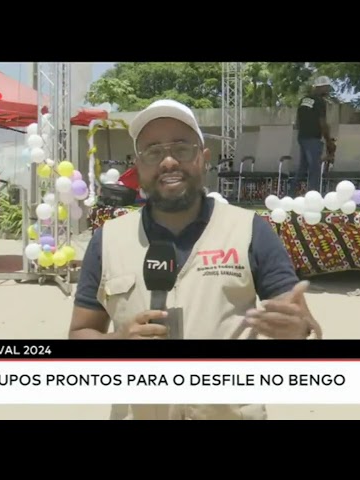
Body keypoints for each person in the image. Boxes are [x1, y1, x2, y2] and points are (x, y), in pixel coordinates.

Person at [69, 99, 322, 420]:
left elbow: (303, 327)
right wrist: (118, 340)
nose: (169, 161)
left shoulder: (250, 231)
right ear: (138, 165)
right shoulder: (108, 239)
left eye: (182, 148)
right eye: (153, 151)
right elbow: (79, 334)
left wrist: (296, 330)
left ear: (204, 158)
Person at [288, 76, 335, 195]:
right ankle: (313, 195)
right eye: (327, 87)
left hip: (302, 137)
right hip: (312, 138)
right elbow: (322, 123)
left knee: (303, 168)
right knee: (315, 168)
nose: (328, 90)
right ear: (322, 87)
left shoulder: (303, 100)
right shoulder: (320, 101)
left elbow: (298, 121)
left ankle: (290, 194)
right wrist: (328, 141)